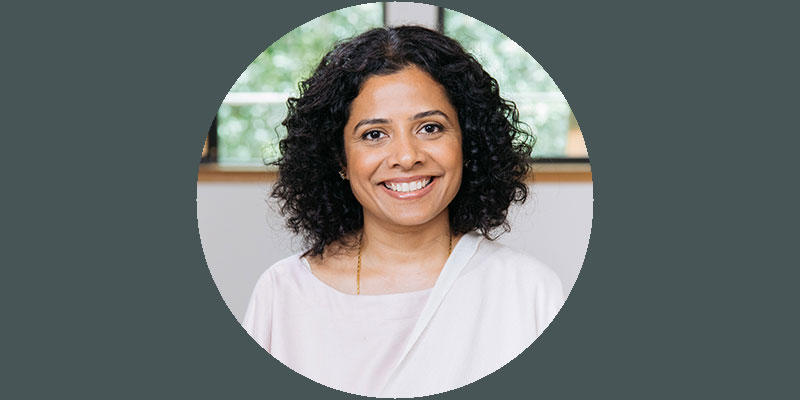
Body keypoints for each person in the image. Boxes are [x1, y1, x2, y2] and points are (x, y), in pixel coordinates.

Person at [242, 25, 564, 397]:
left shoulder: (528, 291)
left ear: (468, 142)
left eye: (430, 128)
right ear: (340, 159)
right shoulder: (282, 294)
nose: (407, 157)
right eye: (374, 134)